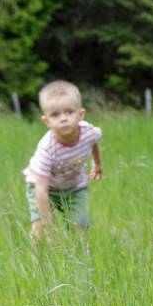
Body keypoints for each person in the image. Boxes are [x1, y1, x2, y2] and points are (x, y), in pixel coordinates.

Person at [25, 80, 103, 241]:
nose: (63, 118)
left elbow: (94, 142)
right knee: (39, 228)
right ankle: (37, 261)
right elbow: (41, 190)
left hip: (75, 187)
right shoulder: (47, 148)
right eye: (55, 115)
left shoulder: (89, 132)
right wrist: (49, 227)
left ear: (81, 114)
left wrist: (97, 164)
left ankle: (83, 258)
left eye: (69, 112)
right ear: (46, 121)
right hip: (45, 189)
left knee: (81, 226)